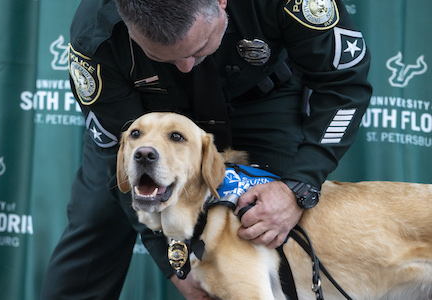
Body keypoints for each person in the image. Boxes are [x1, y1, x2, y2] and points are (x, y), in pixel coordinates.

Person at [41, 0, 372, 299]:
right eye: (161, 57)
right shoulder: (96, 34)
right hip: (154, 115)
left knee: (270, 225)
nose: (187, 66)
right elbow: (116, 144)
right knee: (98, 218)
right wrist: (174, 267)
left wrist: (299, 185)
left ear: (221, 3)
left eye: (199, 48)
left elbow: (342, 84)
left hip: (263, 98)